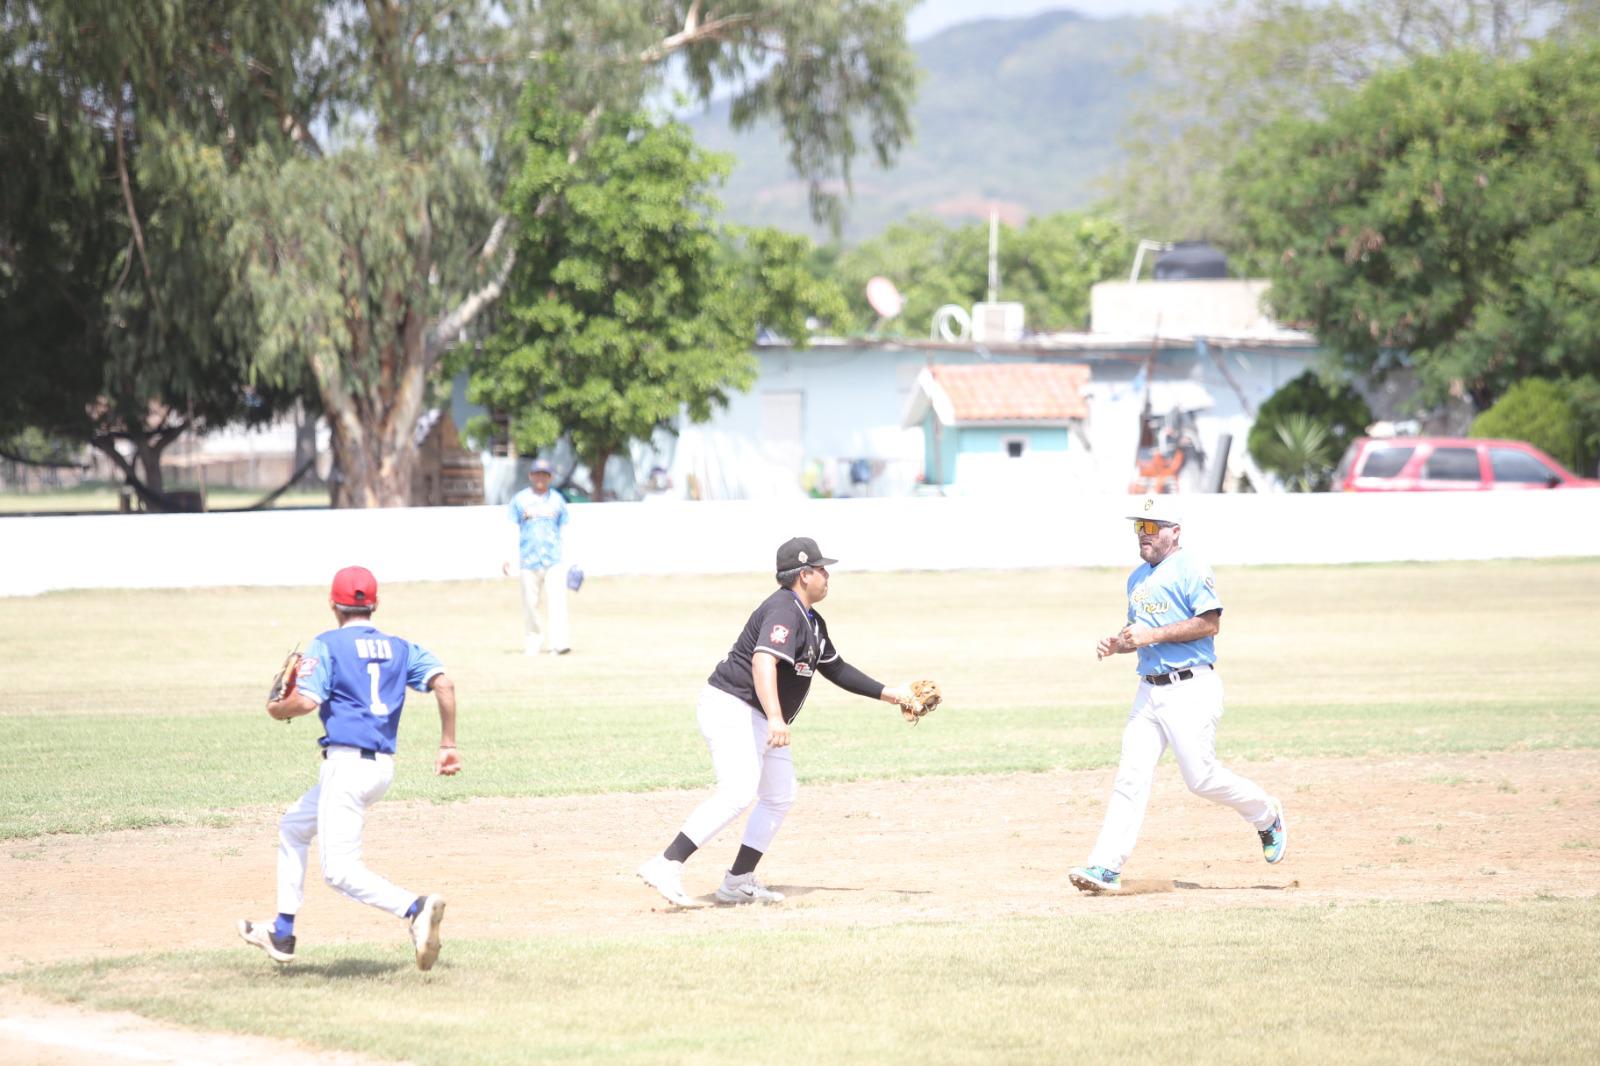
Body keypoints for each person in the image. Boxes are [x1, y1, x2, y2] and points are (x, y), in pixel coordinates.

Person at [638, 537, 920, 906]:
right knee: (738, 792)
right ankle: (666, 864)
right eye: (820, 569)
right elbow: (763, 661)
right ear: (803, 575)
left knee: (779, 795)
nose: (826, 575)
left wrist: (892, 694)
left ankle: (738, 880)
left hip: (756, 714)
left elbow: (836, 669)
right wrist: (775, 717)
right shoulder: (784, 610)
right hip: (734, 707)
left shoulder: (811, 620)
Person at [238, 565, 461, 969]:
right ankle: (282, 931)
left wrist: (277, 709)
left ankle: (414, 908)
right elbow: (443, 684)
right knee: (294, 826)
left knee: (339, 871)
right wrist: (448, 744)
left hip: (346, 766)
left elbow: (305, 702)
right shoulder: (401, 647)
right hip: (380, 769)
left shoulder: (327, 644)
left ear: (332, 604)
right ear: (375, 604)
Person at [1068, 497, 1285, 895]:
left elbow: (1209, 624)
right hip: (1148, 690)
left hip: (1191, 688)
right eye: (1139, 527)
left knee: (1201, 779)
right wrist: (1119, 643)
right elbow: (1139, 631)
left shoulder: (1191, 567)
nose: (1143, 534)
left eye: (1152, 527)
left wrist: (1150, 635)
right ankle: (1106, 866)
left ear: (1175, 531)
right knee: (1130, 777)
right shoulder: (1137, 578)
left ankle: (1265, 814)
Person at [503, 458, 571, 655]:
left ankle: (559, 643)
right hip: (528, 559)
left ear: (550, 477)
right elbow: (512, 528)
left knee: (557, 602)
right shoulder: (520, 500)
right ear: (531, 476)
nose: (541, 478)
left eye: (544, 474)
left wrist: (571, 558)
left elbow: (565, 529)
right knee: (530, 605)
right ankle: (533, 642)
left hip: (553, 558)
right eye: (537, 474)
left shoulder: (557, 500)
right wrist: (509, 556)